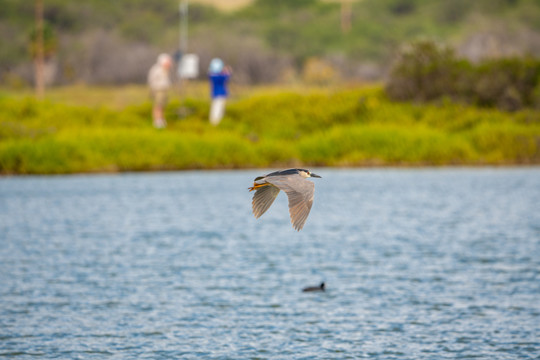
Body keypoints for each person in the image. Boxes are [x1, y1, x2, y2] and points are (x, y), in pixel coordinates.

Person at [147, 53, 172, 128]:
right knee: (158, 105)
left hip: (163, 90)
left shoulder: (164, 70)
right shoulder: (157, 69)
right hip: (158, 90)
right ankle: (157, 121)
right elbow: (151, 80)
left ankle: (161, 120)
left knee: (162, 106)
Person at [208, 58, 231, 126]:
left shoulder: (212, 75)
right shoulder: (221, 76)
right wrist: (226, 70)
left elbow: (210, 72)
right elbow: (228, 75)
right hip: (221, 94)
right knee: (218, 109)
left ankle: (213, 122)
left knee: (214, 108)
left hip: (214, 94)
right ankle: (216, 123)